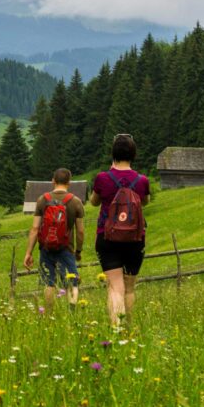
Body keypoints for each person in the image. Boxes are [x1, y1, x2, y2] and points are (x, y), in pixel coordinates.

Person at [89, 134, 150, 328]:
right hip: (135, 238)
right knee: (129, 288)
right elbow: (145, 202)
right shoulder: (142, 181)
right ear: (133, 154)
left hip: (108, 238)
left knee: (115, 286)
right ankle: (128, 328)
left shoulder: (102, 178)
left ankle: (116, 330)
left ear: (113, 153)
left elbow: (93, 202)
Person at [23, 167, 85, 313]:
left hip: (46, 248)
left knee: (49, 283)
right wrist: (78, 251)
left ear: (53, 181)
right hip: (66, 249)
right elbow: (80, 231)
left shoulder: (42, 200)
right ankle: (72, 314)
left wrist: (28, 252)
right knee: (72, 283)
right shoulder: (76, 202)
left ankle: (48, 315)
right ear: (69, 183)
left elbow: (35, 229)